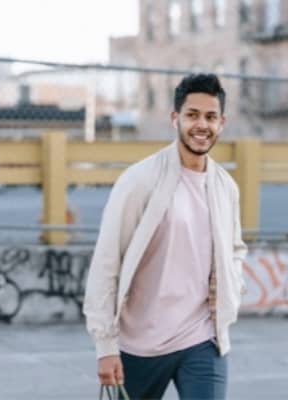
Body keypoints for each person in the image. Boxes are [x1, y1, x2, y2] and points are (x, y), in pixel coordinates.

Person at [83, 73, 247, 400]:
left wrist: (233, 288)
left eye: (211, 117)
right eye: (192, 115)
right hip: (139, 345)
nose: (202, 125)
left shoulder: (225, 187)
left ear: (222, 123)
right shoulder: (140, 180)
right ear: (175, 119)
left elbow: (235, 249)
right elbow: (107, 260)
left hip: (202, 339)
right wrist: (105, 345)